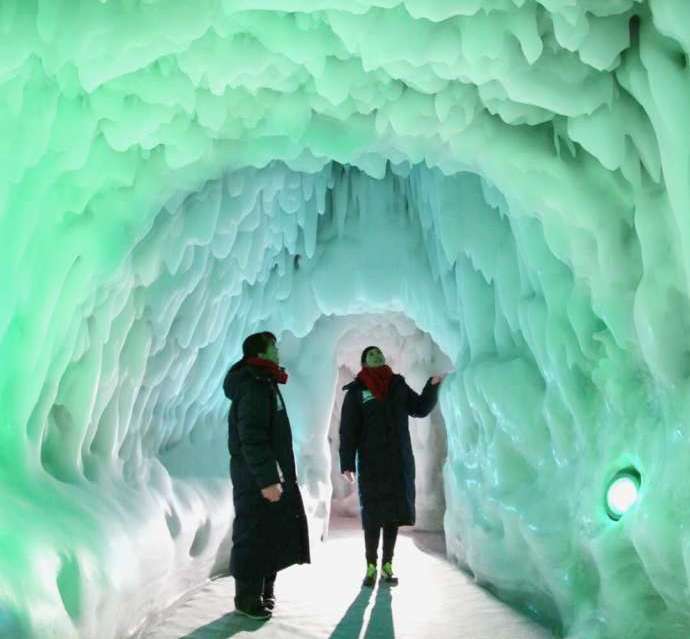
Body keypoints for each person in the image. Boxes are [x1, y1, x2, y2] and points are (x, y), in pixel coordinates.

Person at [339, 346, 443, 587]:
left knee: (393, 515)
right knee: (374, 515)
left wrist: (432, 386)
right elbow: (348, 430)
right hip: (371, 462)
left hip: (398, 460)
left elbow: (419, 408)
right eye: (371, 355)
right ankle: (371, 566)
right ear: (364, 362)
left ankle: (387, 564)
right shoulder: (356, 392)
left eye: (379, 354)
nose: (377, 357)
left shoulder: (397, 385)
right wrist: (346, 463)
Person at [223, 331, 310, 620]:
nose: (277, 350)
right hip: (254, 477)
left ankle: (263, 591)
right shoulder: (254, 384)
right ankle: (247, 599)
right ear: (259, 353)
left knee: (268, 532)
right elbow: (251, 436)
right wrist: (267, 479)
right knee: (252, 533)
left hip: (265, 474)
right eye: (273, 346)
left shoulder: (265, 382)